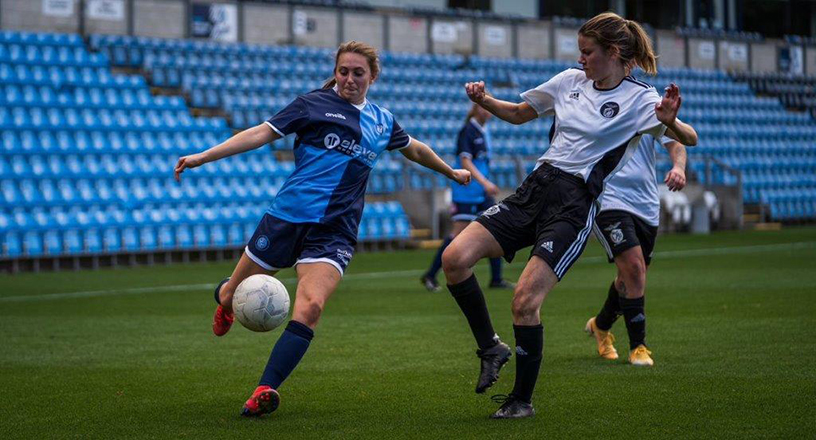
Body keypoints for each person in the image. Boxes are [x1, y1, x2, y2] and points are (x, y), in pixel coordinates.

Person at [173, 41, 471, 418]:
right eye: (343, 71)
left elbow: (415, 149)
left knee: (310, 307)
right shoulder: (311, 104)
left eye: (358, 73)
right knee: (233, 293)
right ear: (336, 71)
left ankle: (265, 388)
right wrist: (203, 156)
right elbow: (260, 133)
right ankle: (226, 300)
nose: (349, 79)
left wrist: (450, 171)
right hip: (287, 218)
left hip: (335, 231)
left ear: (373, 77)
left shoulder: (381, 121)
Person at [441, 12, 698, 419]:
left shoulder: (642, 99)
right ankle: (490, 347)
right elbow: (521, 112)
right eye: (579, 52)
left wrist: (672, 125)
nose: (581, 60)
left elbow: (690, 137)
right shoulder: (568, 81)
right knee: (453, 259)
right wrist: (484, 100)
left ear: (613, 53)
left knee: (525, 302)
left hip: (574, 205)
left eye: (588, 52)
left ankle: (521, 400)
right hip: (535, 187)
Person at [586, 134, 688, 366]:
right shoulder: (596, 99)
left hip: (645, 203)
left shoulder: (648, 102)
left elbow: (676, 142)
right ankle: (638, 347)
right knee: (634, 268)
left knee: (631, 278)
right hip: (608, 198)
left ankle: (600, 326)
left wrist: (679, 167)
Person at [420, 103, 514, 292]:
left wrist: (485, 184)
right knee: (457, 234)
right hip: (467, 191)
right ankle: (430, 275)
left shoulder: (483, 130)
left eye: (489, 106)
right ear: (475, 109)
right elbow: (465, 161)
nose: (487, 110)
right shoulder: (468, 130)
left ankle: (496, 279)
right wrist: (485, 182)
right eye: (483, 106)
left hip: (481, 192)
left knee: (494, 228)